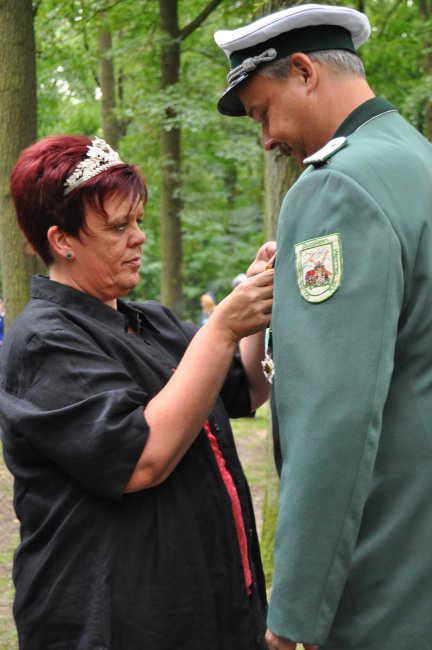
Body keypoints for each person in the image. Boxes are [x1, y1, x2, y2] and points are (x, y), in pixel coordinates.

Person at [0, 134, 275, 649]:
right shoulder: (42, 341)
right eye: (118, 226)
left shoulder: (153, 322)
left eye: (139, 221)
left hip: (208, 610)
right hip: (114, 626)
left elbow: (248, 388)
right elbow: (142, 459)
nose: (139, 237)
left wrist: (258, 302)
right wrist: (220, 329)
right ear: (62, 240)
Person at [214, 4, 432, 650]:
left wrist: (295, 612)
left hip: (384, 584)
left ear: (305, 72)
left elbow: (332, 419)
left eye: (263, 113)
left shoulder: (336, 189)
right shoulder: (417, 162)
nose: (266, 139)